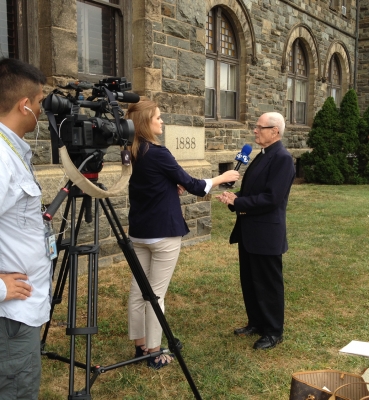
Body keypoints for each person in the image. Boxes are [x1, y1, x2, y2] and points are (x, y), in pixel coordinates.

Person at [126, 99, 240, 369]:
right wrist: (222, 178)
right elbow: (194, 185)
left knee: (137, 291)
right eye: (158, 117)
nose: (162, 121)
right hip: (162, 233)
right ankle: (154, 351)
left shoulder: (132, 150)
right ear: (146, 123)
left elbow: (149, 182)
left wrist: (168, 184)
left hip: (139, 232)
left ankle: (140, 344)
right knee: (155, 294)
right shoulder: (157, 151)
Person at [216, 112, 295, 350]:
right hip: (249, 231)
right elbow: (253, 192)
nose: (255, 130)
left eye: (260, 127)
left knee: (268, 283)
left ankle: (273, 331)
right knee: (250, 280)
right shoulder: (261, 156)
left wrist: (238, 203)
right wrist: (234, 197)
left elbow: (272, 198)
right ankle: (256, 323)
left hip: (266, 233)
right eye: (256, 126)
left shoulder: (282, 158)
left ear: (275, 132)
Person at [0, 58, 52, 399]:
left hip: (21, 314)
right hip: (10, 316)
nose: (42, 111)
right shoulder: (1, 159)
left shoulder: (12, 151)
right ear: (25, 105)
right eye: (40, 103)